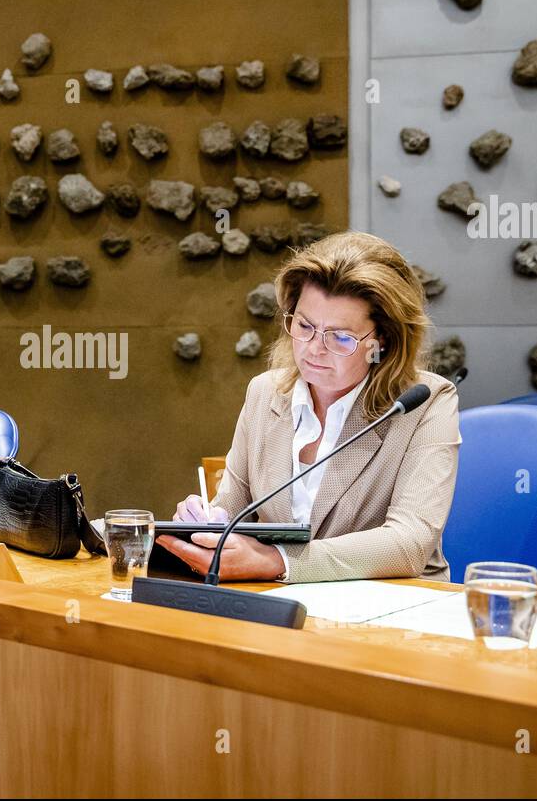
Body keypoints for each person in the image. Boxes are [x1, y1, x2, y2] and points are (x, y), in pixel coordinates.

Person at [157, 230, 461, 584]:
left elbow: (409, 543)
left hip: (393, 610)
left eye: (341, 337)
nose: (314, 349)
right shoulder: (265, 392)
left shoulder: (426, 403)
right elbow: (234, 503)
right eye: (304, 325)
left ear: (384, 341)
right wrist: (207, 522)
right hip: (278, 606)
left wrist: (278, 561)